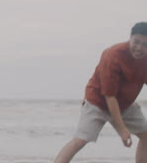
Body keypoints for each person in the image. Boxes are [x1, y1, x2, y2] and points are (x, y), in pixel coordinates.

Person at [55, 22, 147, 163]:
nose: (139, 48)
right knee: (80, 140)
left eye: (145, 44)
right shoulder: (112, 55)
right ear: (130, 38)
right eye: (136, 42)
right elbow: (110, 96)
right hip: (97, 102)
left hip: (125, 104)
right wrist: (122, 130)